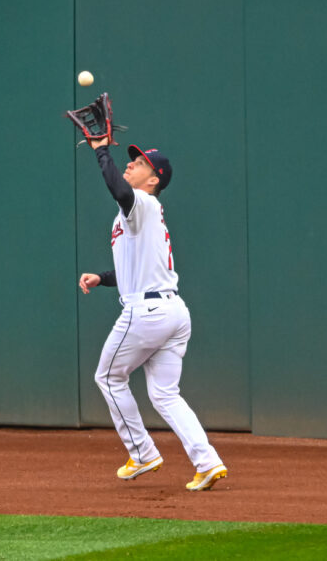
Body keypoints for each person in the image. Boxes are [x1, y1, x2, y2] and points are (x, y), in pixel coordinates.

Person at [78, 136, 227, 491]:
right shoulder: (141, 214)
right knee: (165, 395)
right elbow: (138, 270)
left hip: (147, 313)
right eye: (130, 161)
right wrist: (103, 278)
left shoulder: (141, 202)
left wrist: (101, 150)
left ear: (153, 179)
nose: (129, 164)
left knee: (109, 377)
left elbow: (120, 191)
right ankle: (207, 462)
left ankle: (143, 452)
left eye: (139, 163)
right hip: (173, 312)